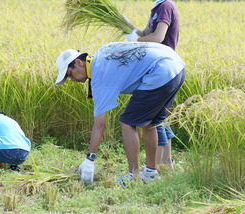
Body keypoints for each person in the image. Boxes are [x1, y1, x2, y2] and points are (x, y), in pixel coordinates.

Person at [55, 42, 185, 185]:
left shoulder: (99, 76)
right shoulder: (103, 51)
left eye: (69, 74)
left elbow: (100, 125)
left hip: (160, 71)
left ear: (79, 62)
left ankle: (133, 176)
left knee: (128, 122)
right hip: (176, 66)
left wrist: (89, 160)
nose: (71, 80)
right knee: (150, 121)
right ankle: (150, 173)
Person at [125, 0, 180, 170]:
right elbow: (147, 32)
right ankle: (167, 163)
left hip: (162, 69)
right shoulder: (157, 6)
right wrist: (128, 27)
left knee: (154, 120)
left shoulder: (165, 6)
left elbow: (157, 38)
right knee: (160, 118)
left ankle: (157, 165)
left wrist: (137, 40)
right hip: (161, 68)